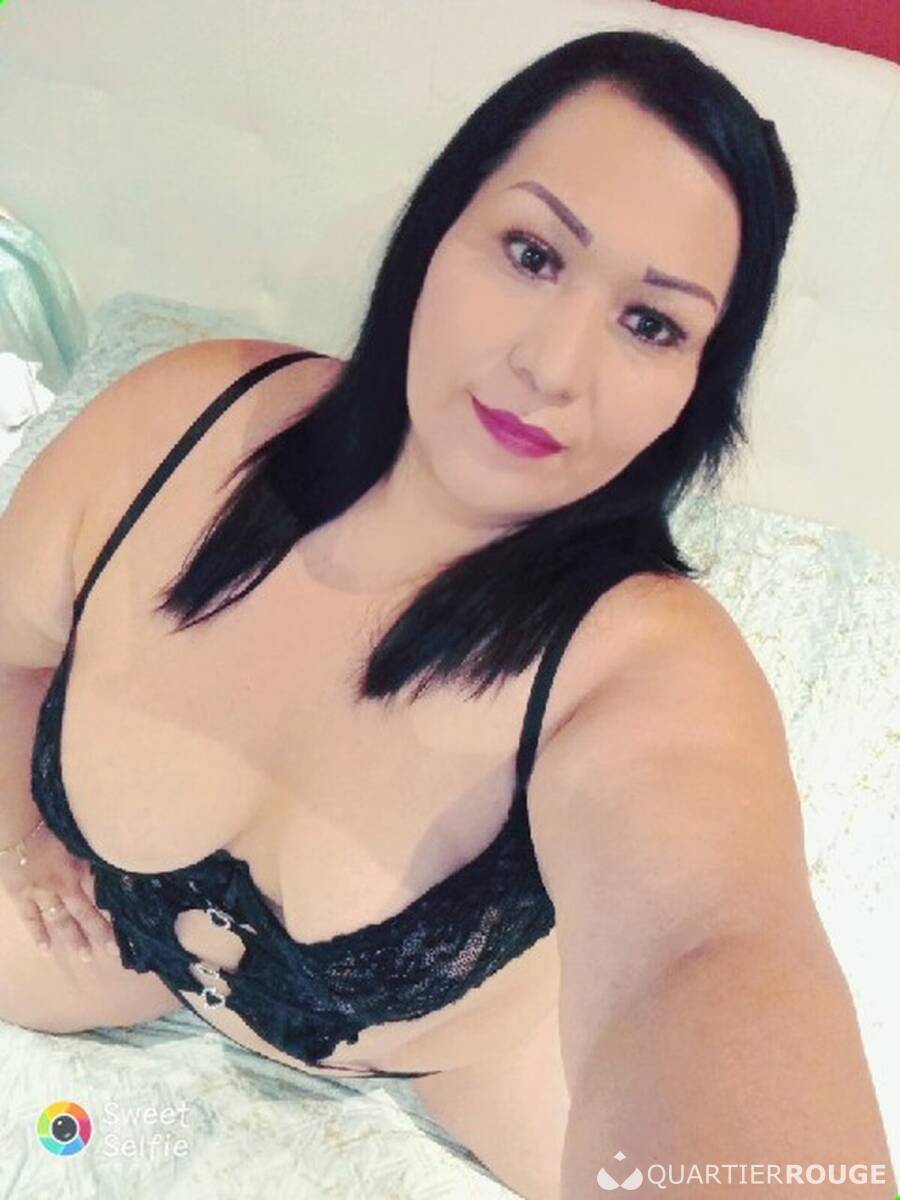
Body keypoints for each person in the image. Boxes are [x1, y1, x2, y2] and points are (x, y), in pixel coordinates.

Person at [1, 29, 894, 1200]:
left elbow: (706, 947)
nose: (553, 367)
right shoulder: (171, 433)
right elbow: (8, 649)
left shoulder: (650, 675)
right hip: (107, 952)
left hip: (462, 1066)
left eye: (652, 325)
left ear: (695, 391)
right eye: (532, 253)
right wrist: (24, 830)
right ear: (438, 229)